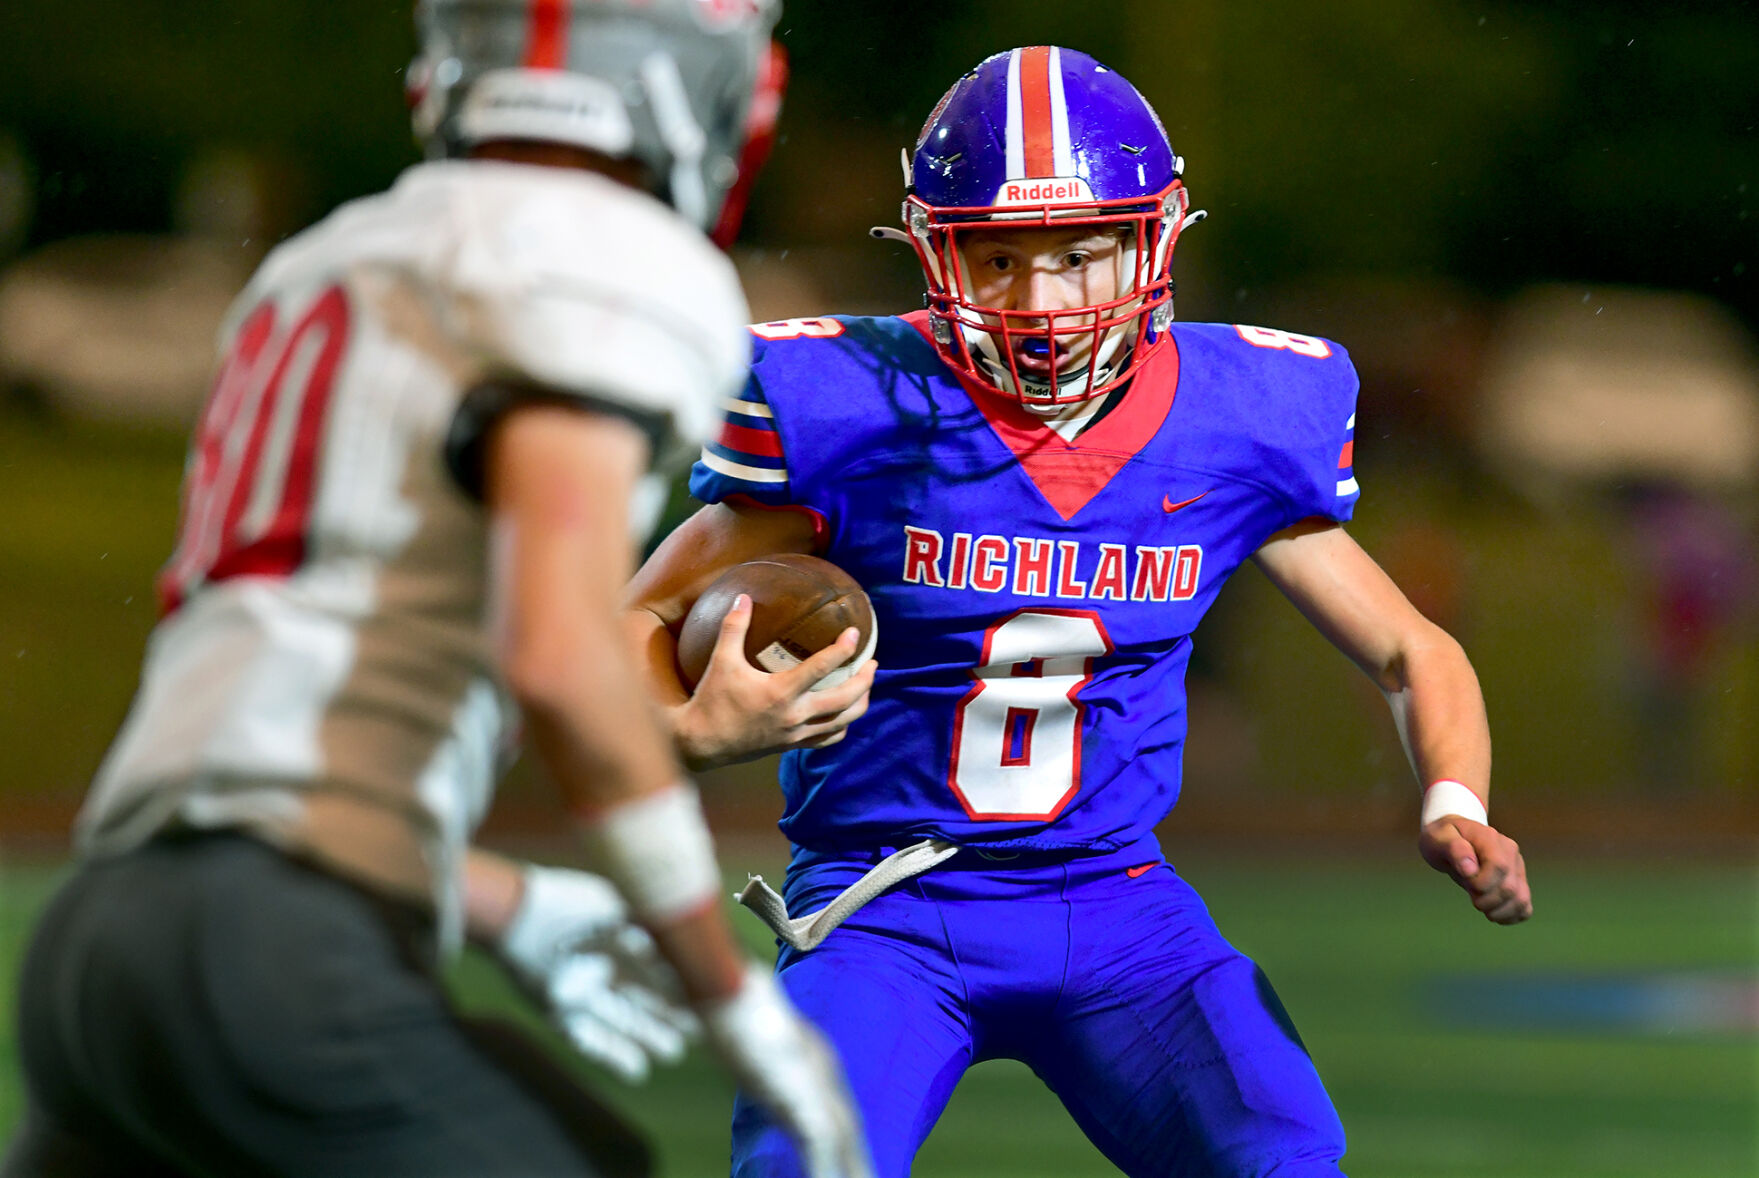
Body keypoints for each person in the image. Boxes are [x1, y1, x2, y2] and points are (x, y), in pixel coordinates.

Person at [623, 45, 1533, 1178]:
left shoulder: (1233, 420)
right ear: (931, 250)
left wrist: (1456, 798)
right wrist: (688, 730)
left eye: (1079, 252)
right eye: (996, 258)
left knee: (1280, 1149)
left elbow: (1410, 647)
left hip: (1116, 903)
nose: (1039, 300)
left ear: (1153, 241)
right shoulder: (851, 408)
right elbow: (616, 636)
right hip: (885, 909)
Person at [1, 2, 874, 1177]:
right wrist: (731, 996)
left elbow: (258, 757)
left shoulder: (325, 262)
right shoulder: (611, 264)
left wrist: (509, 901)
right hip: (280, 961)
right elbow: (554, 652)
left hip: (102, 944)